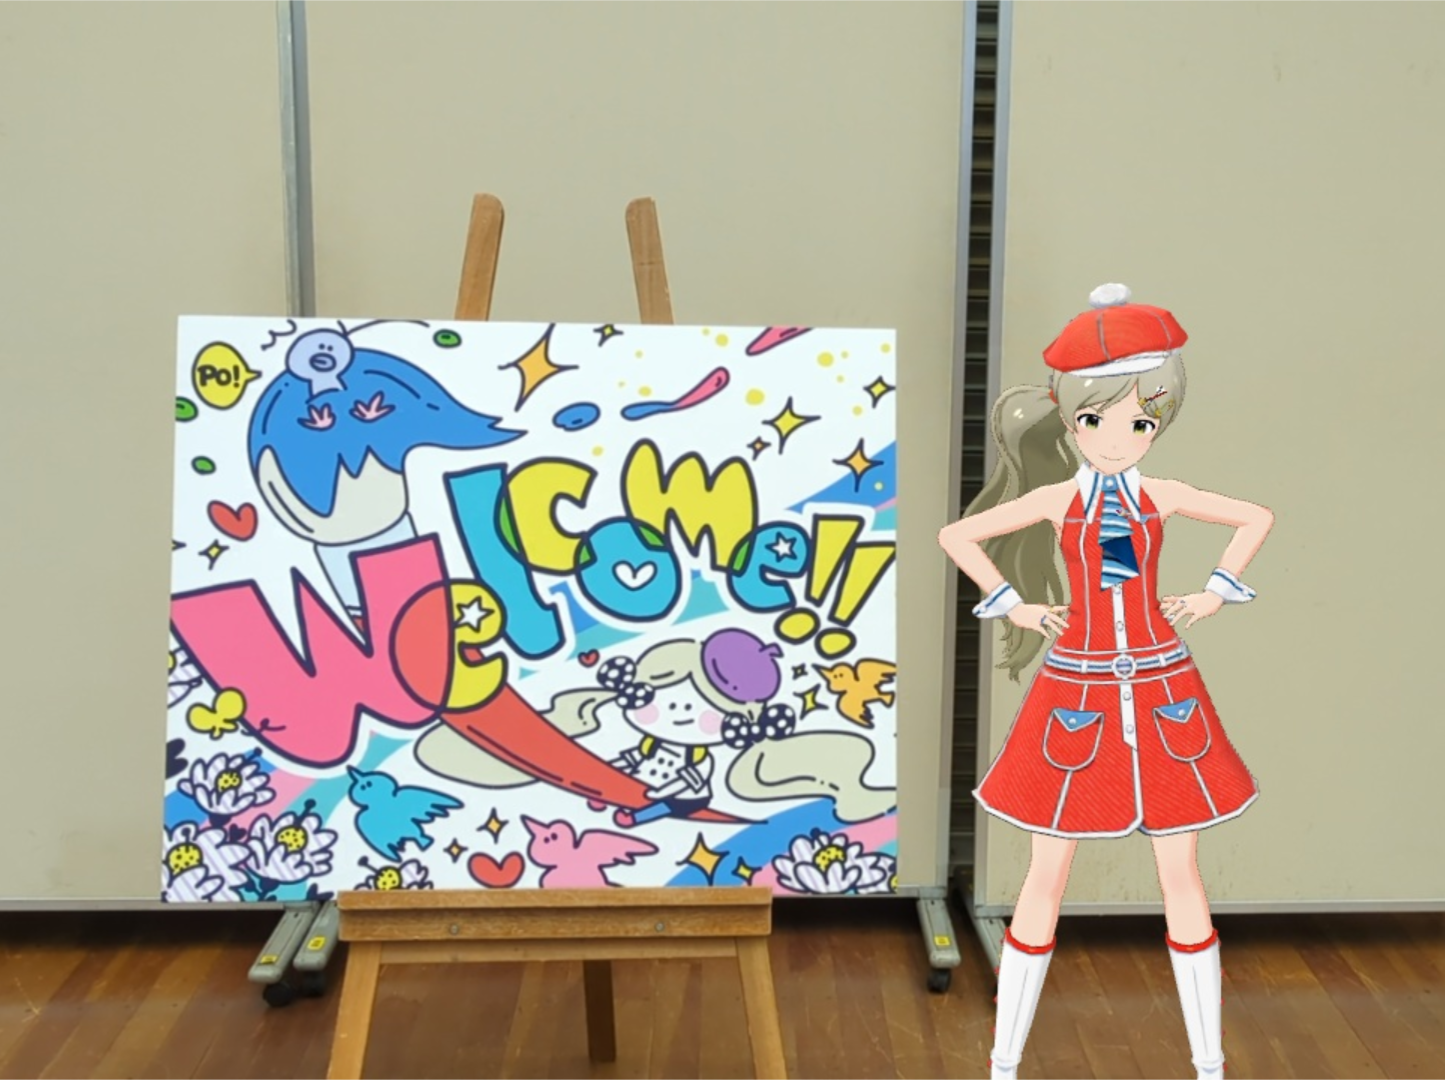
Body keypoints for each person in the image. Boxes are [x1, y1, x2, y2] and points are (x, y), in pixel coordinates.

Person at [937, 284, 1273, 1080]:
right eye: (1095, 421)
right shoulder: (1056, 499)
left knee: (1180, 874)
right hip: (1076, 696)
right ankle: (1003, 1063)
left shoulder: (1162, 496)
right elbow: (958, 534)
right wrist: (1017, 606)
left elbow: (1255, 517)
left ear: (1158, 425)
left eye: (1139, 424)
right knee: (1044, 875)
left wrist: (1212, 594)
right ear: (1069, 421)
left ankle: (1208, 1063)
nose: (1117, 439)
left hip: (1162, 692)